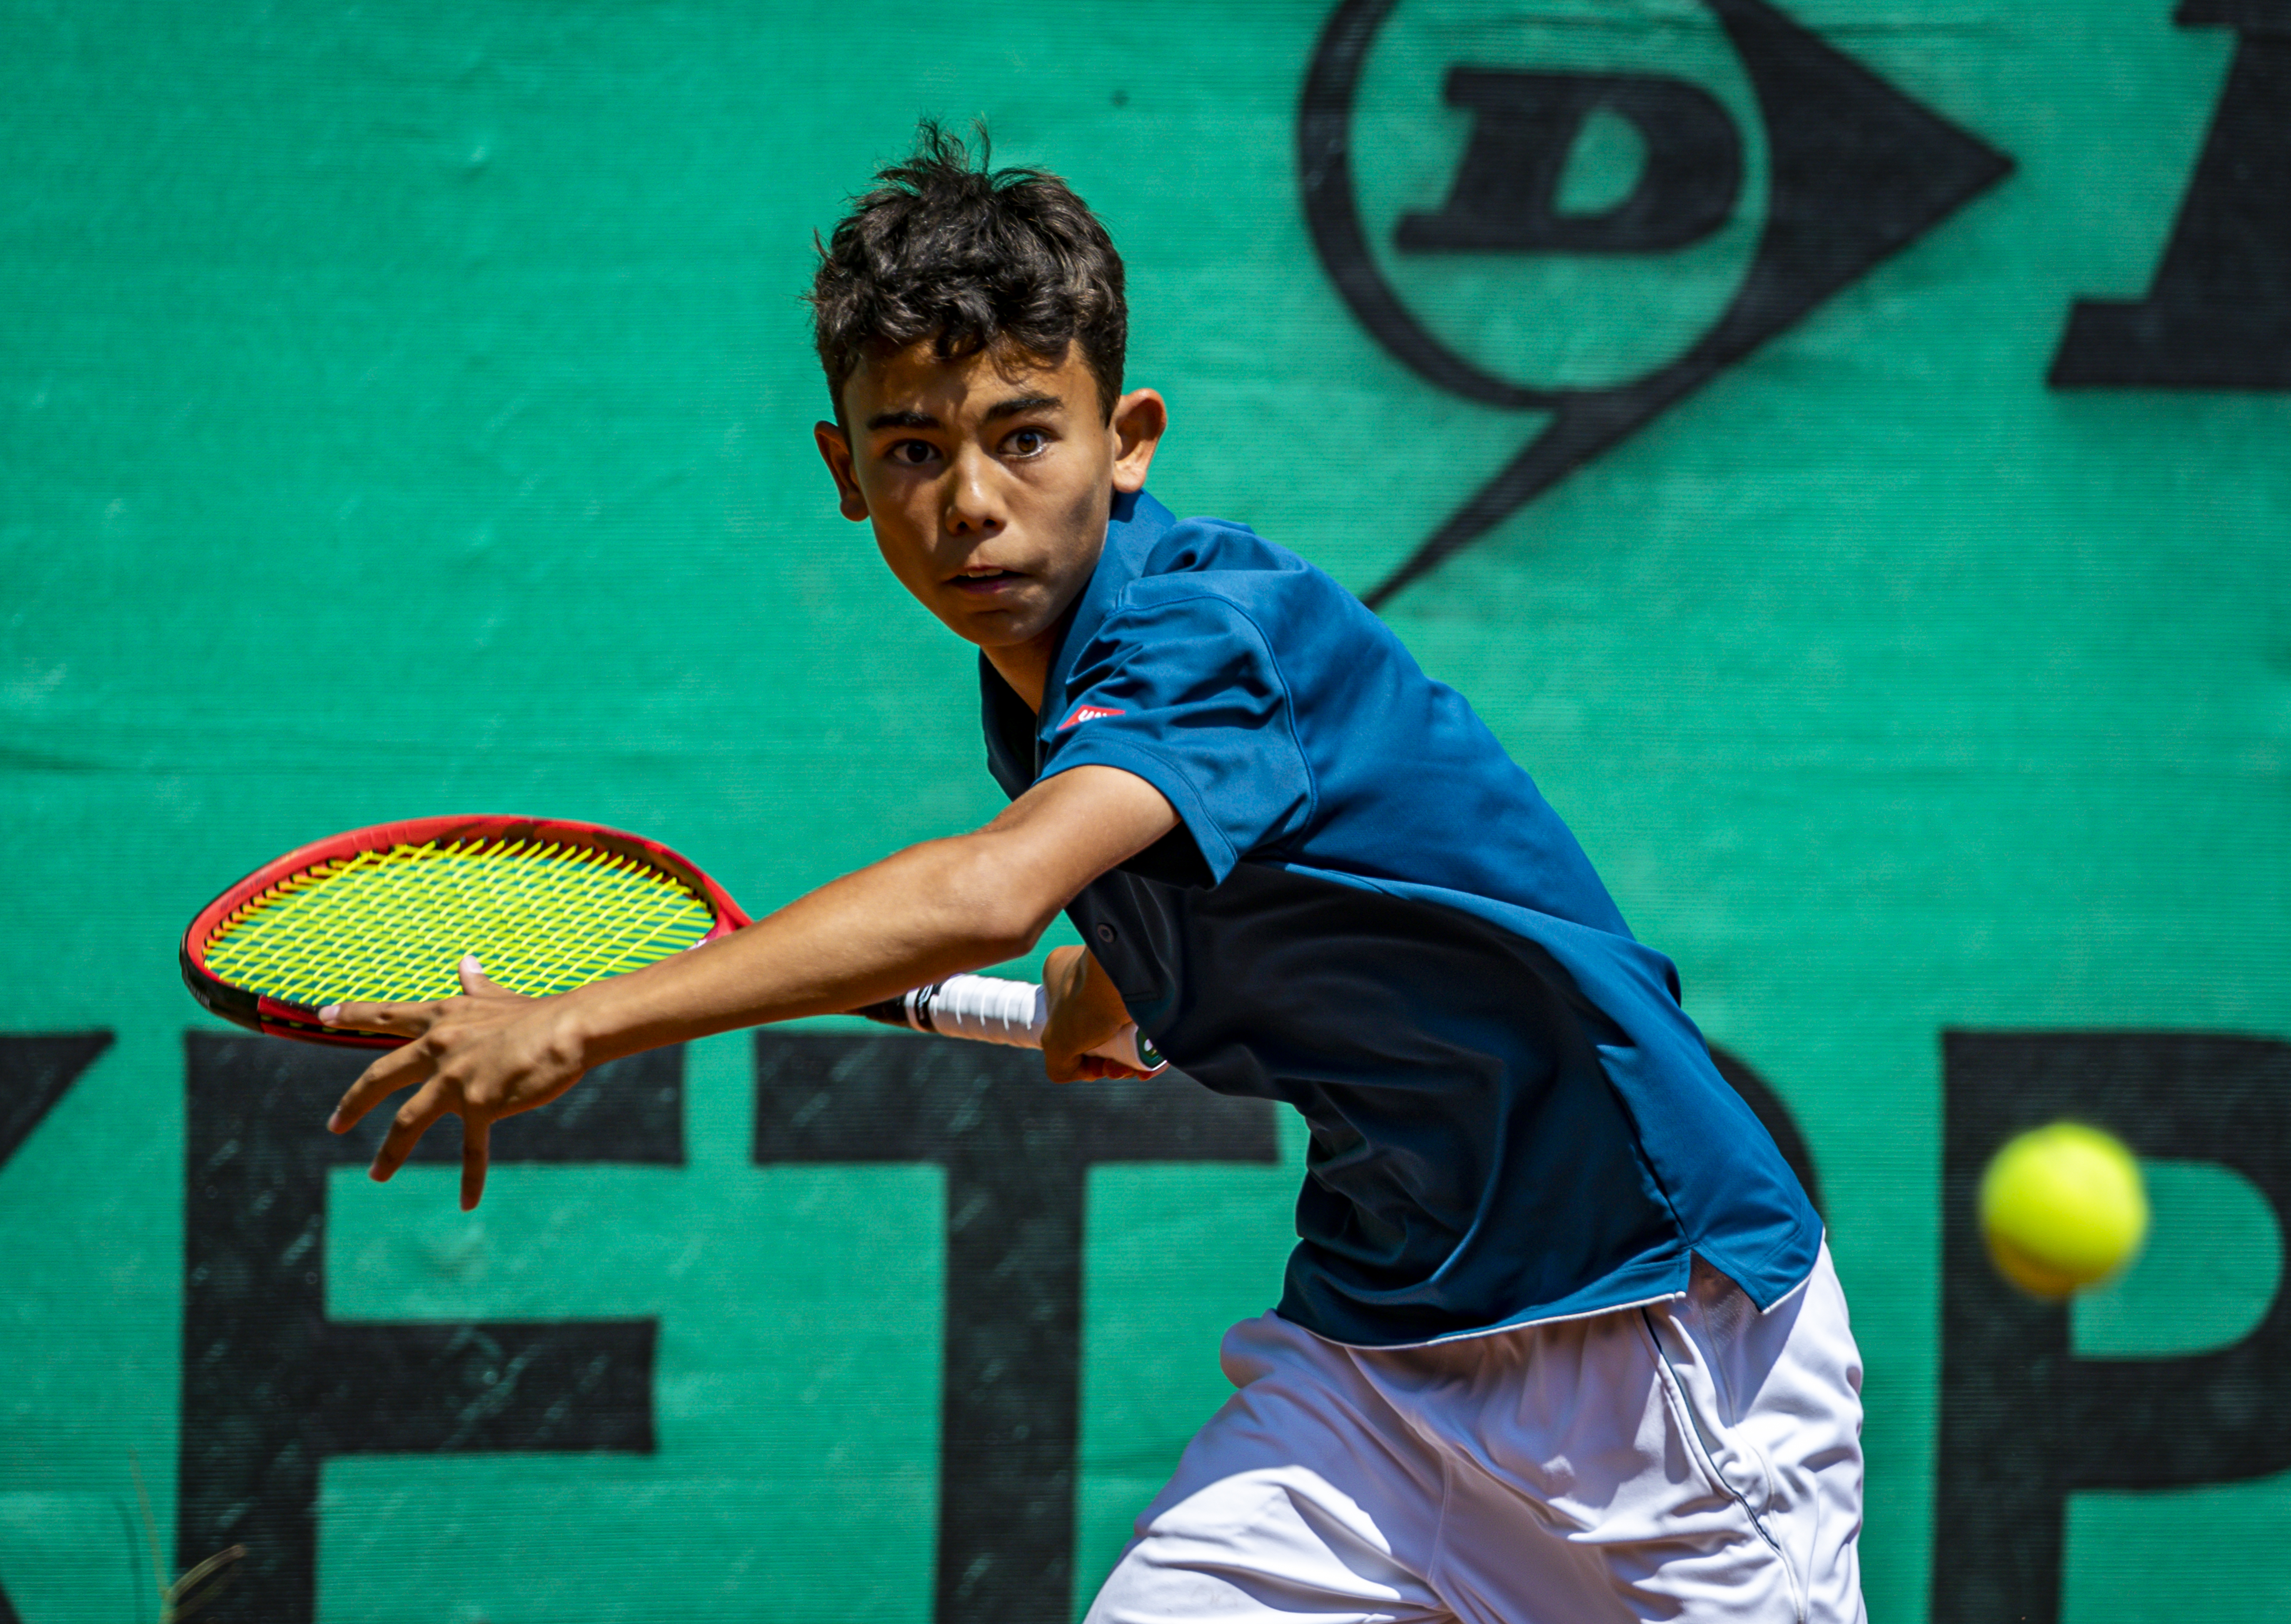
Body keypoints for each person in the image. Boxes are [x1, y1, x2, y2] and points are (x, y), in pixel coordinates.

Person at [323, 123, 1866, 1622]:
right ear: (844, 471)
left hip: (1650, 1337)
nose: (971, 503)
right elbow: (1240, 865)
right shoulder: (1046, 681)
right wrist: (1117, 975)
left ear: (1126, 442)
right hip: (1378, 1357)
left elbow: (993, 890)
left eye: (1023, 436)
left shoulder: (1199, 636)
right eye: (912, 450)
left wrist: (582, 1019)